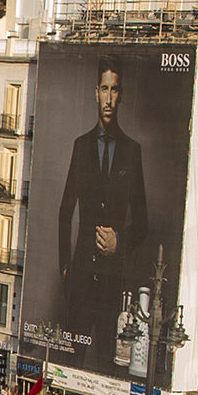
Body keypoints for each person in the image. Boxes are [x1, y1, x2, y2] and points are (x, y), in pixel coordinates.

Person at [38, 61, 158, 377]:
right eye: (103, 89)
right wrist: (66, 267)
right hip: (78, 276)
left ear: (121, 96)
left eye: (114, 89)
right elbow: (65, 211)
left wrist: (120, 241)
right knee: (70, 361)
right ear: (96, 93)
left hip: (111, 279)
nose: (108, 98)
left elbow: (143, 222)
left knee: (108, 362)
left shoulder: (132, 151)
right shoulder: (81, 146)